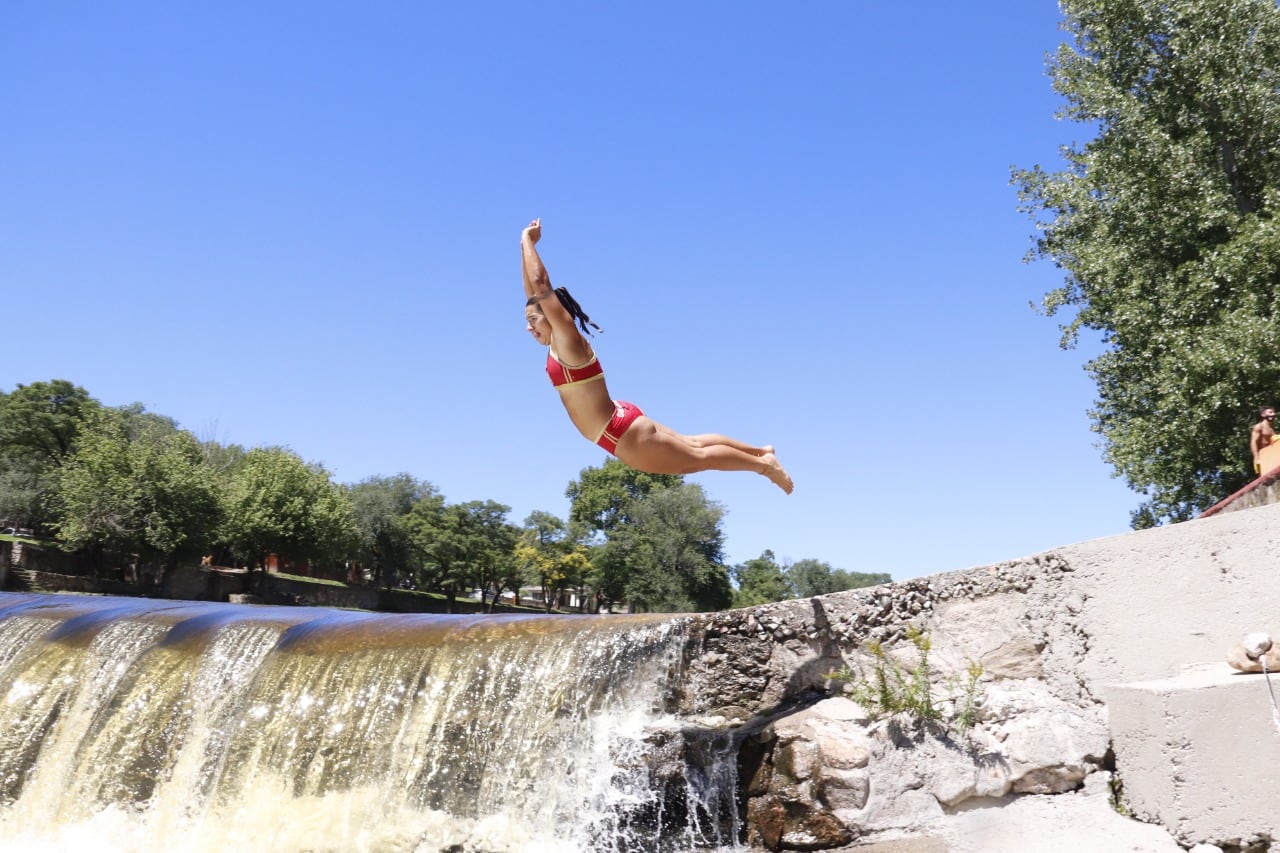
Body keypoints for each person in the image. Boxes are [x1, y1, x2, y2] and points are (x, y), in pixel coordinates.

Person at [520, 218, 793, 494]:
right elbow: (533, 295)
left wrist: (528, 240)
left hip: (619, 433)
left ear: (553, 317)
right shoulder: (558, 342)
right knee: (694, 444)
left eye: (533, 320)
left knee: (696, 460)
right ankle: (760, 451)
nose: (528, 327)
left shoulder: (567, 339)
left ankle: (765, 466)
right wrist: (523, 246)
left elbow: (540, 286)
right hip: (620, 418)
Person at [1251, 405, 1278, 475]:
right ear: (1263, 415)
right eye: (1270, 412)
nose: (1273, 414)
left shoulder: (1272, 430)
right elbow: (1253, 442)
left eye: (1273, 412)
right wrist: (1256, 458)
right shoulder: (1259, 427)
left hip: (1270, 457)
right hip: (1261, 458)